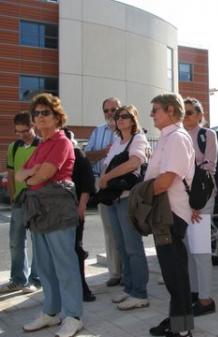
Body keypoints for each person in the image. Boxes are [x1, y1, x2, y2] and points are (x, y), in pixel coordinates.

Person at [18, 93, 83, 337]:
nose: (40, 117)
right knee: (45, 266)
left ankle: (74, 316)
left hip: (57, 208)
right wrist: (29, 174)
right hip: (37, 210)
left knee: (65, 265)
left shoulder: (62, 142)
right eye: (37, 114)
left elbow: (43, 174)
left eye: (46, 113)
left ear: (57, 117)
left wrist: (30, 174)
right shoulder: (41, 145)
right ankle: (51, 311)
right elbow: (17, 175)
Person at [147, 93, 195, 337]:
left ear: (171, 111)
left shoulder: (176, 138)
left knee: (175, 272)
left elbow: (166, 180)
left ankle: (182, 329)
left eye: (155, 110)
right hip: (164, 213)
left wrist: (140, 194)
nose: (152, 114)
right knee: (172, 272)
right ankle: (178, 319)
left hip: (171, 214)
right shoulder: (168, 137)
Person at [100, 105, 150, 311]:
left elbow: (135, 162)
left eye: (125, 116)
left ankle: (140, 293)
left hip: (128, 198)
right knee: (121, 246)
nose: (119, 119)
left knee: (133, 247)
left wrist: (108, 177)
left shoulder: (138, 139)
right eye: (117, 116)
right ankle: (129, 288)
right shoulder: (116, 142)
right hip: (113, 198)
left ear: (133, 119)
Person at [183, 97, 218, 316]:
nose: (185, 115)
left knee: (201, 250)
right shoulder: (176, 135)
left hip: (201, 198)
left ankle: (206, 300)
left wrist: (195, 202)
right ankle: (195, 293)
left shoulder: (208, 135)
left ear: (199, 115)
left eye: (189, 112)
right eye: (182, 112)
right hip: (181, 200)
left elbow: (208, 167)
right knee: (188, 250)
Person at [0, 112, 40, 294]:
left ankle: (36, 280)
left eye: (26, 130)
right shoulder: (13, 147)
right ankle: (17, 279)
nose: (22, 134)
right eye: (18, 131)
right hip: (19, 201)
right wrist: (12, 194)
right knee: (16, 241)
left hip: (39, 200)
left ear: (33, 126)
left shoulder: (42, 146)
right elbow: (10, 173)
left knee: (39, 241)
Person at [85, 97, 122, 287]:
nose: (110, 113)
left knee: (126, 229)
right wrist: (104, 152)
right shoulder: (98, 131)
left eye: (113, 109)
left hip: (124, 186)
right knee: (109, 230)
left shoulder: (128, 129)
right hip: (102, 182)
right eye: (106, 110)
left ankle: (130, 272)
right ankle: (115, 273)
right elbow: (87, 156)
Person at [63, 128, 96, 302]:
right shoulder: (55, 156)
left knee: (76, 249)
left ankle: (83, 288)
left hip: (74, 211)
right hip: (56, 213)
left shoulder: (79, 157)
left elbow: (87, 185)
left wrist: (81, 209)